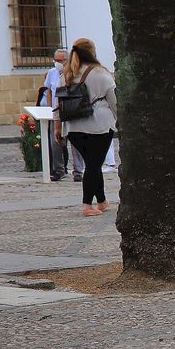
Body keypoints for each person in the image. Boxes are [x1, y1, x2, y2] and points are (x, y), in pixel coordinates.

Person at [57, 38, 118, 216]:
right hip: (98, 126)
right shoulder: (101, 73)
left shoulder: (66, 74)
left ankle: (102, 200)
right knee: (93, 165)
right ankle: (87, 205)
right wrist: (120, 120)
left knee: (93, 163)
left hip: (73, 127)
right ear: (92, 52)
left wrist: (57, 127)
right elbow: (114, 101)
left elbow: (57, 104)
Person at [41, 48, 74, 181]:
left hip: (70, 111)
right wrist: (50, 107)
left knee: (74, 141)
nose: (57, 63)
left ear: (67, 60)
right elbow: (48, 90)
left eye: (60, 60)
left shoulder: (72, 72)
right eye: (55, 60)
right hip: (56, 111)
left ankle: (78, 170)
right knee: (56, 142)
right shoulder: (52, 73)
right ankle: (58, 169)